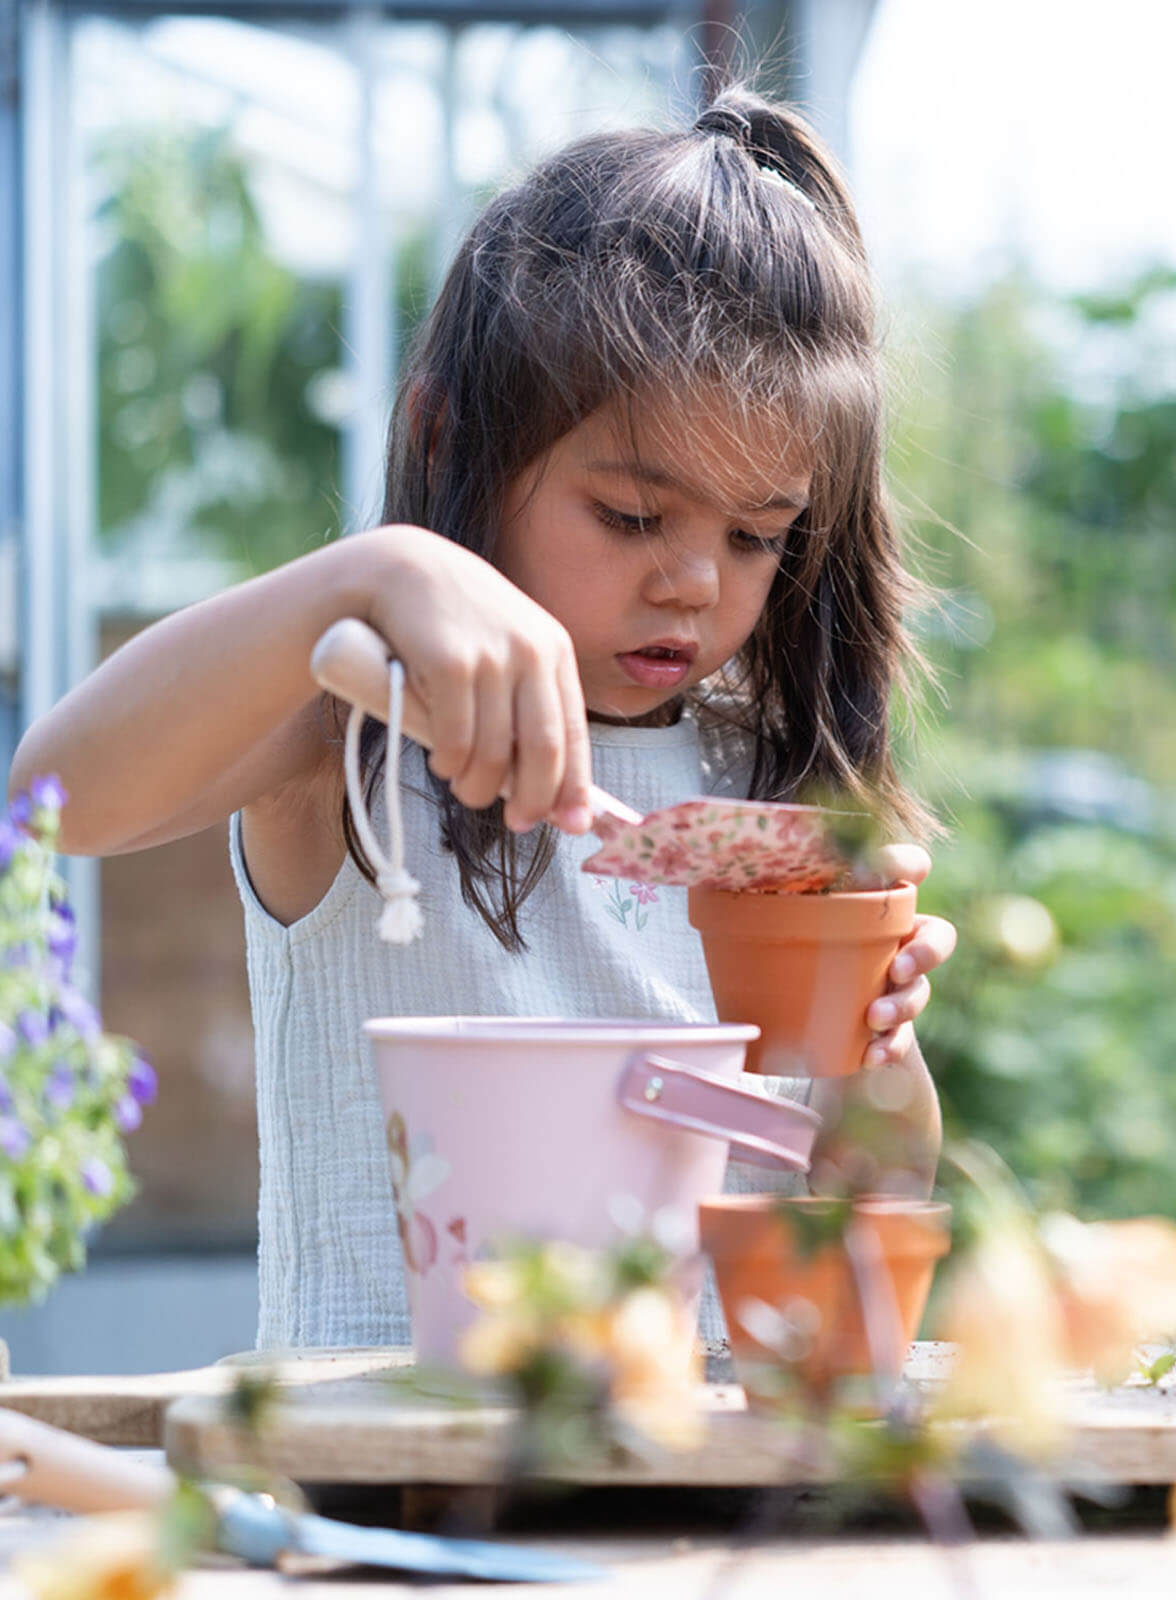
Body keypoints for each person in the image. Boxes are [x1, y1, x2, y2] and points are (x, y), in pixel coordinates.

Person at [9, 86, 955, 1348]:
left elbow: (870, 1194)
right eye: (630, 516)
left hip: (693, 1490)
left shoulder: (764, 783)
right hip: (381, 1493)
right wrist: (371, 573)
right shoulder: (357, 719)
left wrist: (873, 1038)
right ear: (448, 436)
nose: (692, 581)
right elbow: (56, 799)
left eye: (756, 537)